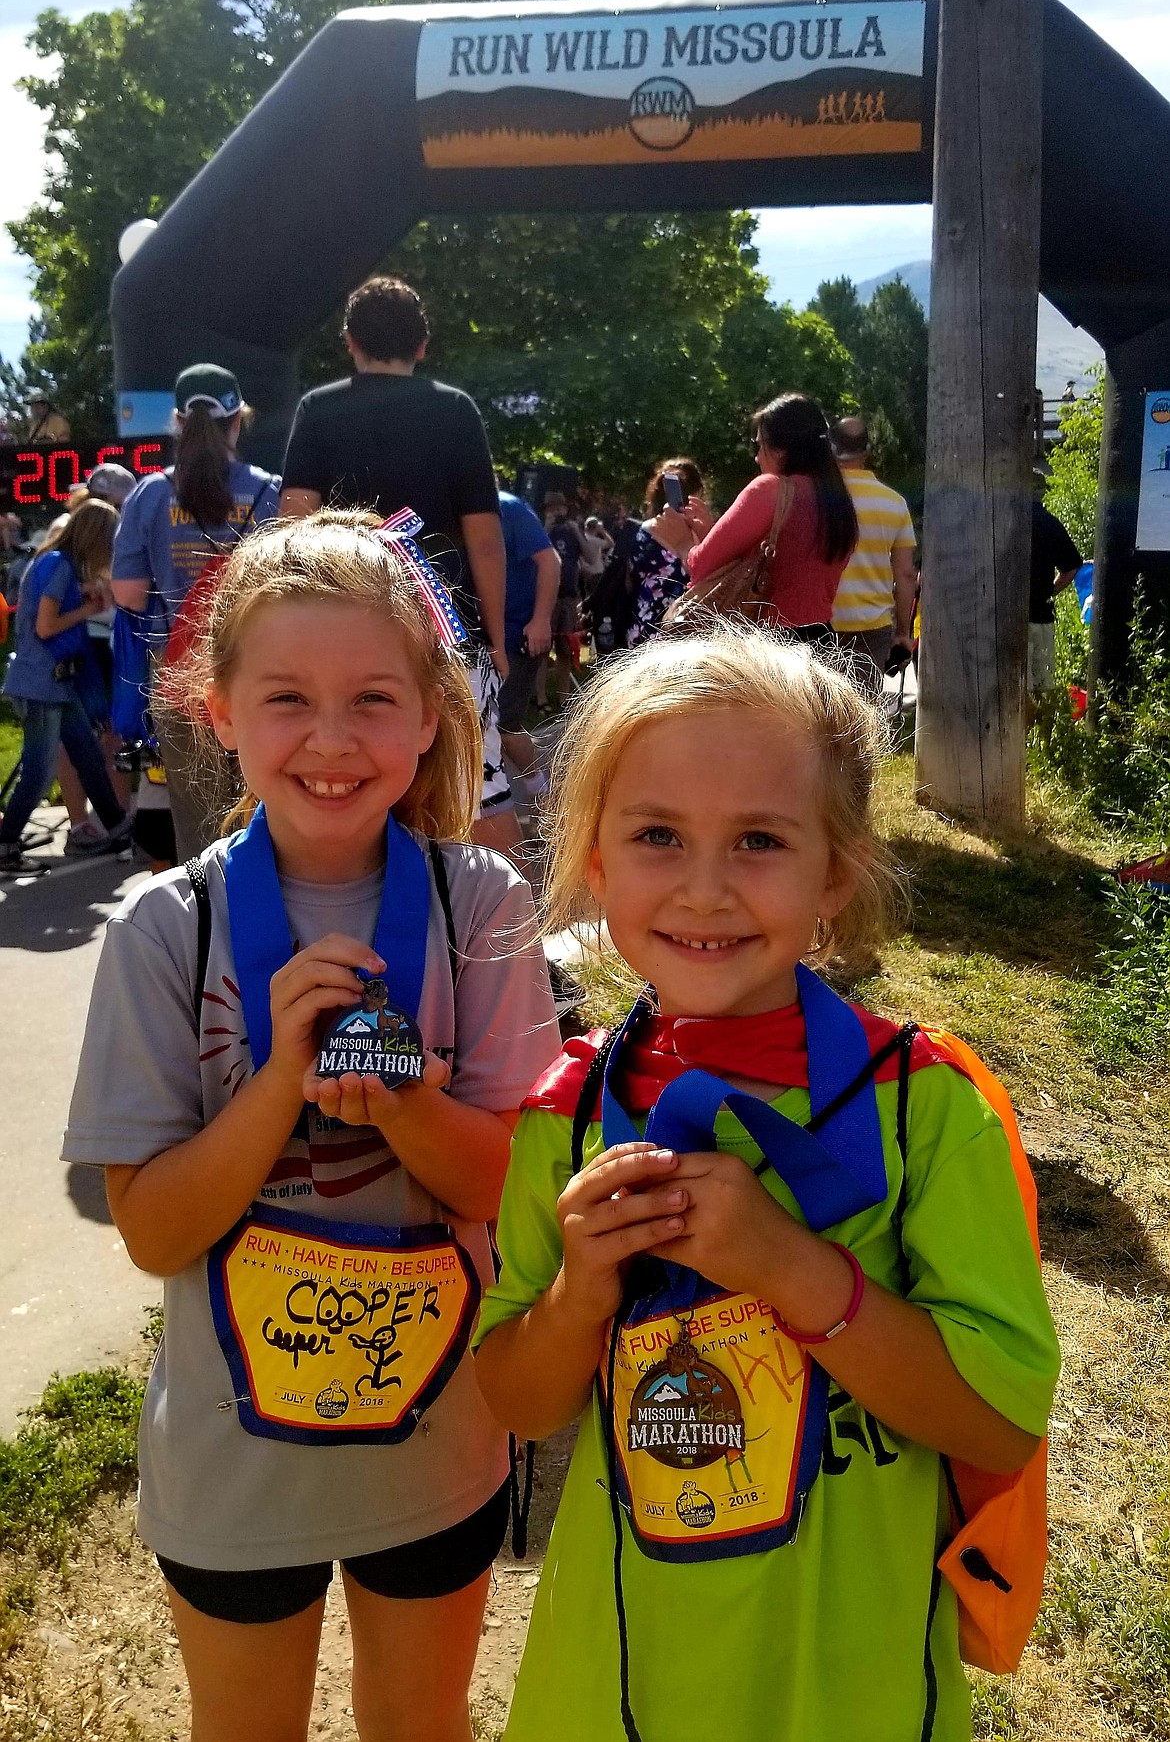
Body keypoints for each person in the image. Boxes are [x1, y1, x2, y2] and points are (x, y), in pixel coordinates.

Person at [474, 625, 1059, 1742]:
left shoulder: (922, 1106)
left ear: (835, 869)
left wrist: (791, 1268)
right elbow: (516, 1400)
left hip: (846, 1676)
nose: (705, 889)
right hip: (617, 1677)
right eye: (656, 834)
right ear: (595, 860)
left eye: (758, 840)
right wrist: (579, 1294)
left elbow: (994, 1415)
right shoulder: (568, 1109)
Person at [63, 510, 561, 1742]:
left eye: (373, 699)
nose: (332, 740)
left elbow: (512, 1183)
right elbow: (155, 1227)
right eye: (286, 697)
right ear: (218, 709)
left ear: (434, 712)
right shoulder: (162, 931)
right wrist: (281, 1074)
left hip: (438, 1445)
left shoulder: (481, 903)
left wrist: (401, 1099)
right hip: (233, 1465)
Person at [277, 276, 521, 859]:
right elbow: (485, 539)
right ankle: (505, 932)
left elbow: (293, 526)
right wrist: (497, 638)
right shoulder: (455, 411)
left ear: (348, 341)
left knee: (359, 778)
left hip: (342, 627)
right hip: (446, 626)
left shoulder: (318, 410)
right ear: (423, 345)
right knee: (478, 780)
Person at [111, 364, 280, 861]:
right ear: (237, 421)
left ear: (178, 423)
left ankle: (205, 928)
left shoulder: (149, 494)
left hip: (178, 676)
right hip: (259, 671)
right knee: (261, 805)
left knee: (196, 823)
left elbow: (127, 594)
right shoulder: (270, 491)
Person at [655, 394, 858, 639]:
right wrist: (709, 532)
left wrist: (682, 542)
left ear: (782, 451)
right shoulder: (838, 501)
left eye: (761, 446)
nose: (757, 457)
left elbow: (699, 566)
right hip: (820, 639)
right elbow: (792, 561)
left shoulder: (769, 489)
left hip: (768, 646)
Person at [1, 501, 132, 873]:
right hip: (42, 684)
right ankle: (6, 844)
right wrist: (88, 610)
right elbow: (46, 626)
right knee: (40, 773)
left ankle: (119, 828)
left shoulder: (55, 563)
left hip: (55, 683)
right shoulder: (59, 565)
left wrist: (84, 594)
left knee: (89, 757)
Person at [829, 415, 918, 694]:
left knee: (818, 715)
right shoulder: (894, 503)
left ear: (831, 447)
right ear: (868, 450)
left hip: (820, 624)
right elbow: (905, 574)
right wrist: (902, 632)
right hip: (872, 628)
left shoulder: (816, 499)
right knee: (862, 713)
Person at [498, 486, 560, 811]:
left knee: (505, 727)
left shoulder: (510, 509)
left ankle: (543, 794)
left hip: (517, 636)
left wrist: (541, 620)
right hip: (477, 639)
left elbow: (550, 561)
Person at [627, 459, 703, 646]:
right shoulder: (700, 535)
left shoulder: (642, 533)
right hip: (684, 633)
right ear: (697, 494)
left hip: (641, 630)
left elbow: (630, 582)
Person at [1030, 481, 1081, 721]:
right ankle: (1043, 744)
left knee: (1013, 686)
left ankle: (1017, 740)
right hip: (1040, 615)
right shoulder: (1049, 523)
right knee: (1042, 686)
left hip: (1002, 619)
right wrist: (1048, 591)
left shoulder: (1002, 520)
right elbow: (1072, 566)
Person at [540, 494, 586, 705]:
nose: (558, 512)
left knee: (566, 649)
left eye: (561, 508)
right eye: (553, 509)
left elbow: (591, 557)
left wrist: (576, 531)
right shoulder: (540, 530)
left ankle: (564, 698)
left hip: (568, 596)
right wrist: (547, 528)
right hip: (548, 596)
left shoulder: (572, 531)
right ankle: (540, 698)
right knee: (542, 651)